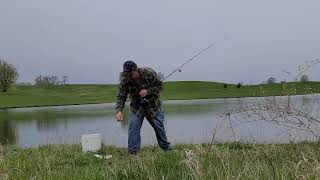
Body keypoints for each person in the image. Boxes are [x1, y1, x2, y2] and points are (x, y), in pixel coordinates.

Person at [115, 60, 171, 154]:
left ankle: (166, 149)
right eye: (126, 74)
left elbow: (159, 87)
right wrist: (119, 110)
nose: (128, 77)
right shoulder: (125, 79)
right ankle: (133, 152)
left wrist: (148, 91)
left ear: (136, 70)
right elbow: (121, 95)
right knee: (133, 128)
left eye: (130, 74)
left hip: (153, 106)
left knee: (159, 127)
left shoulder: (149, 73)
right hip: (136, 107)